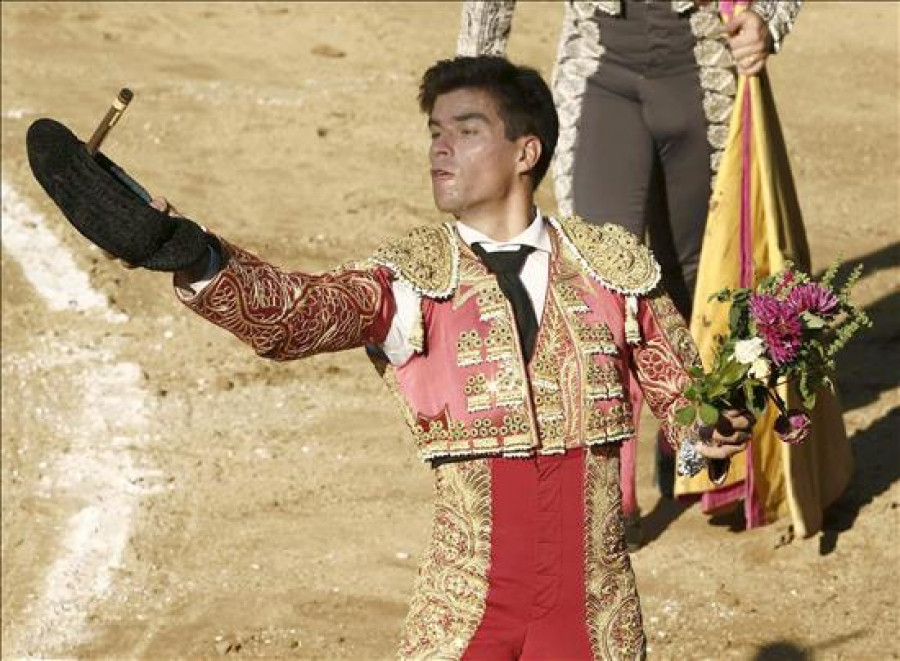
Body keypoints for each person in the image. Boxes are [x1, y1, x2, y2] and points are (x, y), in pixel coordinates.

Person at [28, 55, 753, 659]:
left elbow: (686, 402)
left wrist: (717, 429)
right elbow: (295, 313)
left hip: (596, 615)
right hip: (466, 608)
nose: (441, 147)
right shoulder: (411, 279)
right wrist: (188, 251)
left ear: (526, 151)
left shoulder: (612, 270)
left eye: (467, 131)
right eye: (435, 132)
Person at [457, 0, 802, 540]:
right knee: (596, 282)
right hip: (600, 63)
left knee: (697, 279)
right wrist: (475, 76)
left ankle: (691, 432)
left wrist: (770, 19)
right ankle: (607, 486)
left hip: (705, 62)